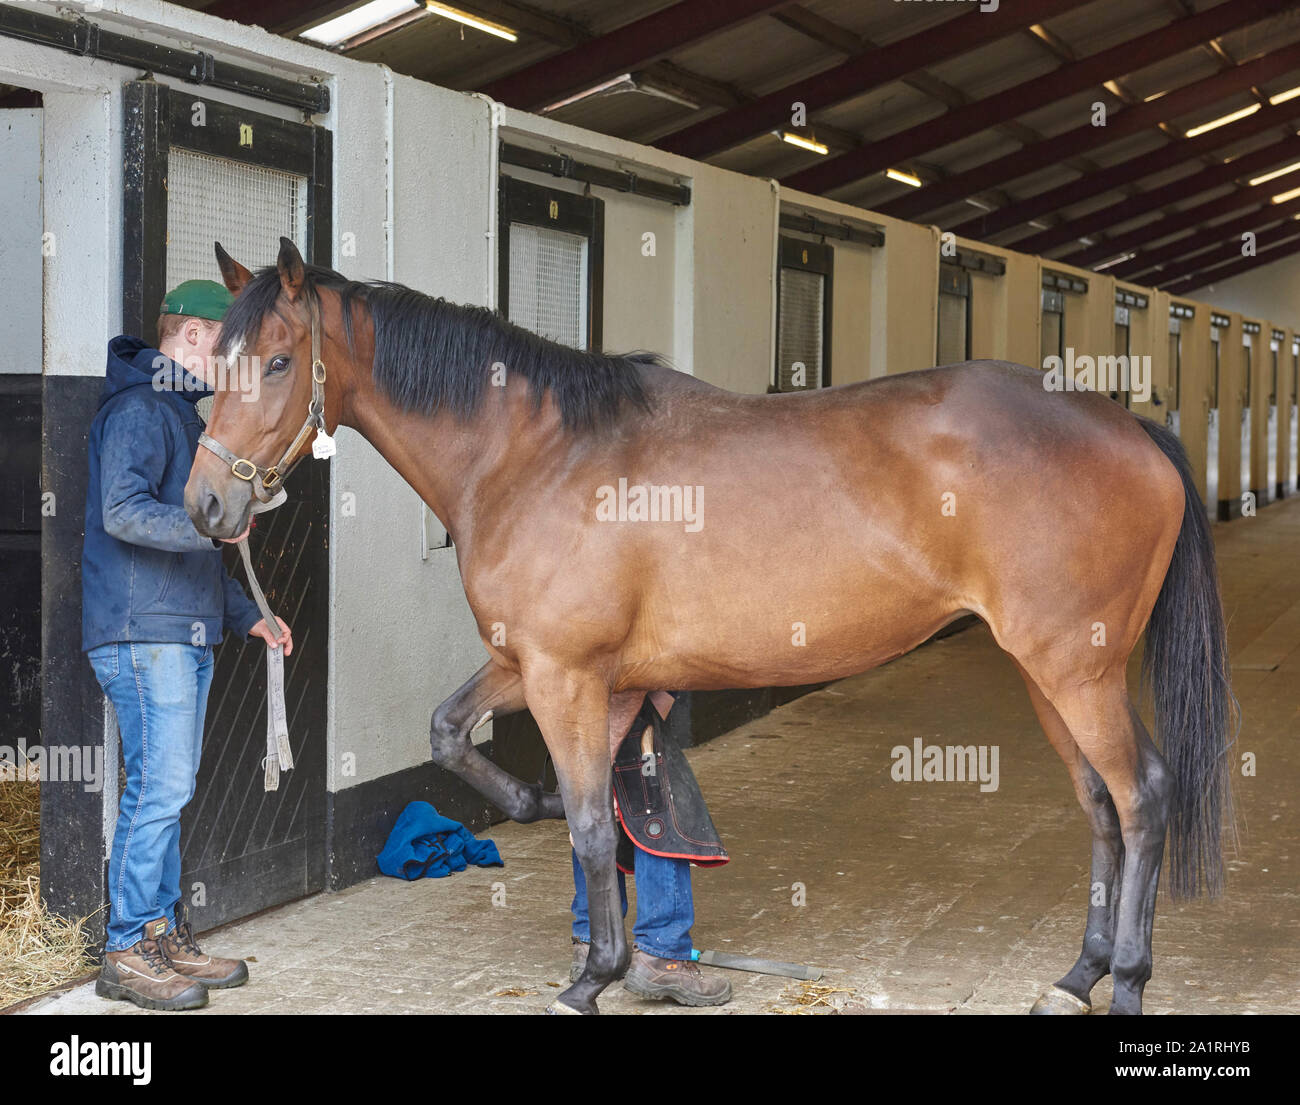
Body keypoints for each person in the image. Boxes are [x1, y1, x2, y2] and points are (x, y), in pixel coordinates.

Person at [82, 280, 291, 1011]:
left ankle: (161, 933)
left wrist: (247, 616)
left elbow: (196, 548)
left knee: (168, 788)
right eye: (227, 351)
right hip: (144, 633)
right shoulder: (140, 409)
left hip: (178, 631)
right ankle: (127, 948)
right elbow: (121, 510)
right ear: (195, 339)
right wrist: (206, 525)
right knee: (159, 787)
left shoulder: (177, 414)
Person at [569, 694, 732, 1006]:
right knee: (655, 808)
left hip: (575, 709)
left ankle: (593, 943)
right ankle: (662, 955)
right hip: (628, 705)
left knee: (593, 811)